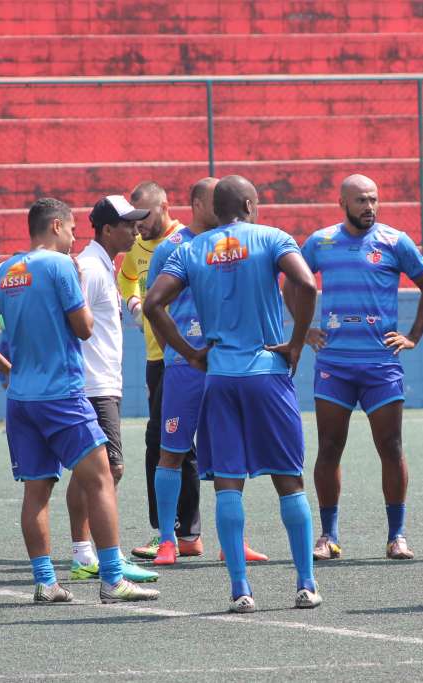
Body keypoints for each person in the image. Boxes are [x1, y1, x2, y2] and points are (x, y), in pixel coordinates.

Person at [0, 197, 159, 604]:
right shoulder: (61, 266)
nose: (73, 238)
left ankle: (45, 581)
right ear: (54, 226)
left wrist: (6, 365)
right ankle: (112, 578)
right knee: (101, 478)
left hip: (21, 399)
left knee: (36, 492)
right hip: (63, 394)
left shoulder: (4, 271)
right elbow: (85, 328)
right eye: (70, 230)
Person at [144, 175, 320, 613]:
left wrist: (189, 352)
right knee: (289, 480)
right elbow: (307, 284)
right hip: (267, 373)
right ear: (247, 203)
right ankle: (306, 583)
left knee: (228, 485)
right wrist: (296, 342)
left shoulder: (190, 249)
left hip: (219, 376)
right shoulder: (272, 237)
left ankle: (241, 590)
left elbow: (152, 305)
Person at [298, 174, 423, 562]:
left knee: (391, 447)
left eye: (374, 199)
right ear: (343, 202)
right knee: (329, 447)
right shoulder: (321, 242)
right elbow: (293, 281)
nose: (369, 207)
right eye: (361, 200)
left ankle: (397, 535)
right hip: (335, 364)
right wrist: (304, 329)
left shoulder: (395, 241)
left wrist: (413, 336)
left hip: (381, 364)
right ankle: (328, 536)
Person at [144, 177, 267, 566]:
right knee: (172, 452)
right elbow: (155, 308)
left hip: (228, 365)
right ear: (198, 204)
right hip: (186, 367)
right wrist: (181, 354)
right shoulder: (172, 249)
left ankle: (234, 540)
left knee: (232, 456)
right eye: (218, 200)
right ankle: (168, 539)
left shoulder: (235, 245)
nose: (227, 206)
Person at [66, 195, 158, 584]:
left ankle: (84, 553)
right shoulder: (89, 267)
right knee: (110, 470)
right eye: (128, 224)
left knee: (89, 473)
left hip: (102, 382)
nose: (136, 230)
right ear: (107, 229)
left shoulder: (103, 266)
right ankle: (105, 556)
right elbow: (71, 320)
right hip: (93, 383)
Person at [121, 182, 201, 561]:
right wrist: (134, 301)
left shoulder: (185, 242)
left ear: (165, 207)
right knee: (161, 442)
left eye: (145, 217)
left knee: (179, 445)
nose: (138, 226)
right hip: (159, 359)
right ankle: (174, 531)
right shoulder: (138, 249)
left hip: (187, 358)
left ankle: (183, 532)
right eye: (134, 219)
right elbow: (127, 277)